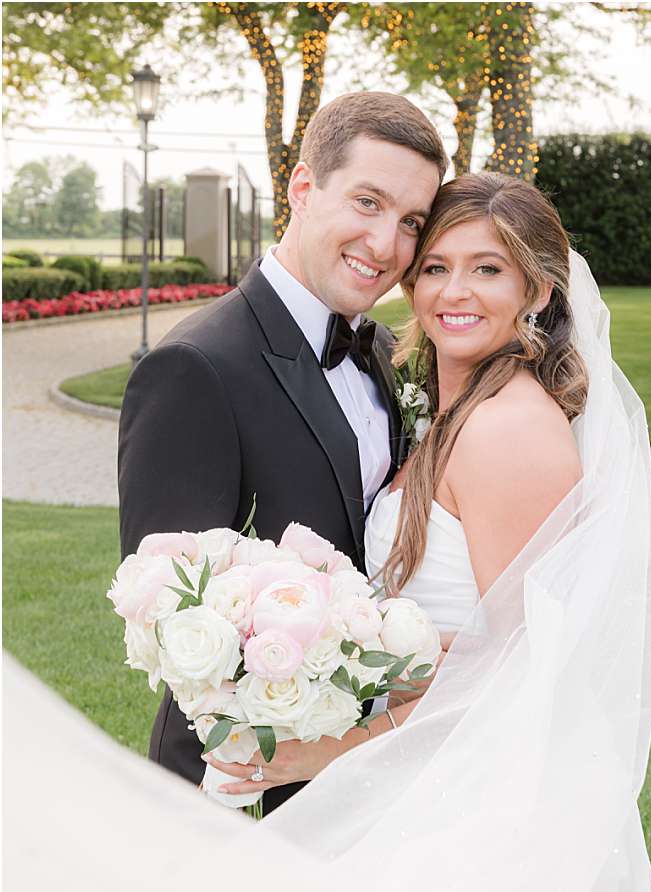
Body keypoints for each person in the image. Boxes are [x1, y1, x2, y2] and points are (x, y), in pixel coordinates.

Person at [10, 167, 651, 892]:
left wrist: (317, 746)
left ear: (539, 294)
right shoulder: (444, 405)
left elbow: (518, 677)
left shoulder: (513, 431)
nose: (452, 292)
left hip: (456, 816)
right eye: (434, 266)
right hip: (406, 798)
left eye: (488, 270)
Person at [118, 91, 447, 814]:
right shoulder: (195, 368)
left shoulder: (386, 352)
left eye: (411, 222)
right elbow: (172, 618)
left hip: (368, 771)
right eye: (367, 202)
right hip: (241, 785)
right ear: (303, 187)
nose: (387, 244)